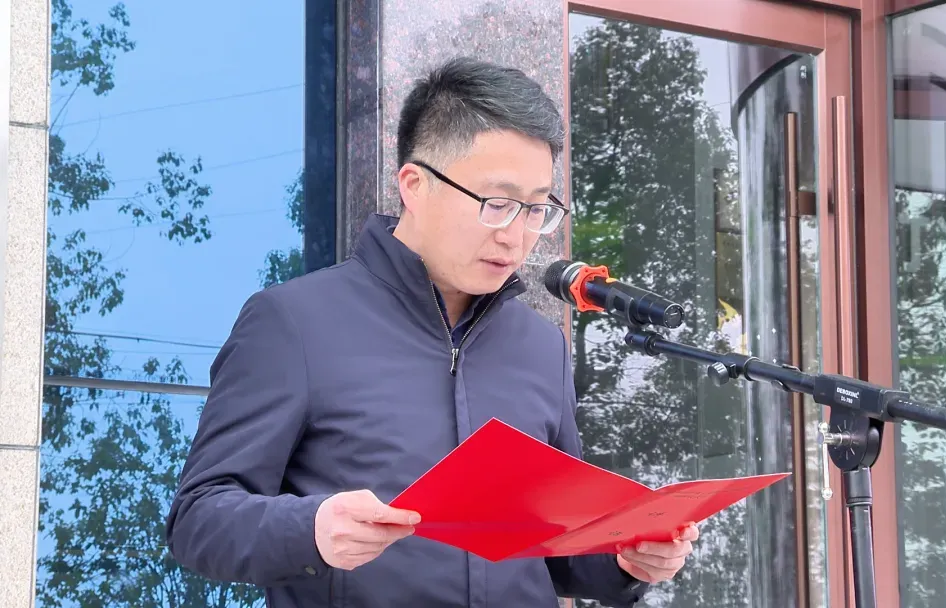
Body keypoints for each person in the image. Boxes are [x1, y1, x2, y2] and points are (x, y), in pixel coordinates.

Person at [165, 56, 697, 608]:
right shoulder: (294, 322)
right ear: (415, 185)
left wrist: (625, 558)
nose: (516, 236)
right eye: (497, 204)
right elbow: (198, 519)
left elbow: (555, 545)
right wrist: (312, 529)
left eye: (537, 209)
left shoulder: (541, 345)